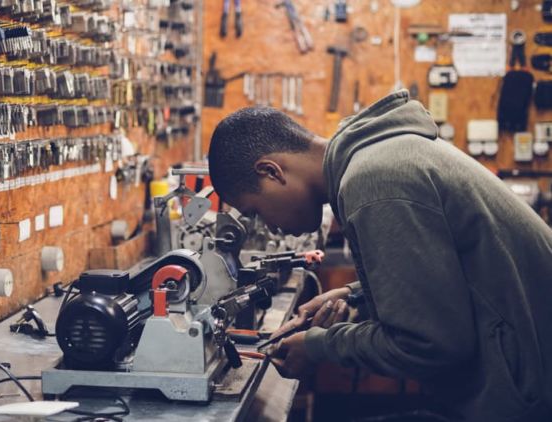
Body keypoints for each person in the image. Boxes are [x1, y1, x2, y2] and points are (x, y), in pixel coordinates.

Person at [207, 90, 552, 421]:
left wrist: (320, 348)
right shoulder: (380, 158)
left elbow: (431, 343)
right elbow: (442, 275)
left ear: (271, 171)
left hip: (532, 393)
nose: (270, 226)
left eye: (256, 210)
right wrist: (356, 295)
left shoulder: (374, 183)